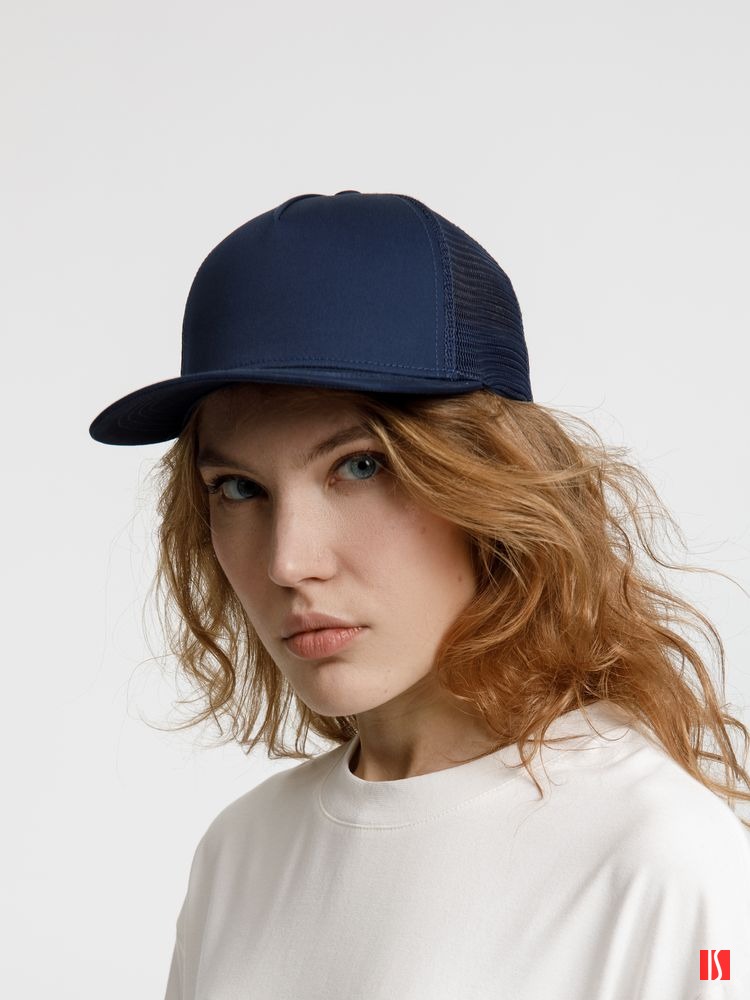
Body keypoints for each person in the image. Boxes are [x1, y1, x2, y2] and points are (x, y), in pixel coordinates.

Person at [89, 190, 750, 999]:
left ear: (493, 482)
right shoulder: (241, 855)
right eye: (237, 488)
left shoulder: (656, 857)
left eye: (361, 467)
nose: (289, 562)